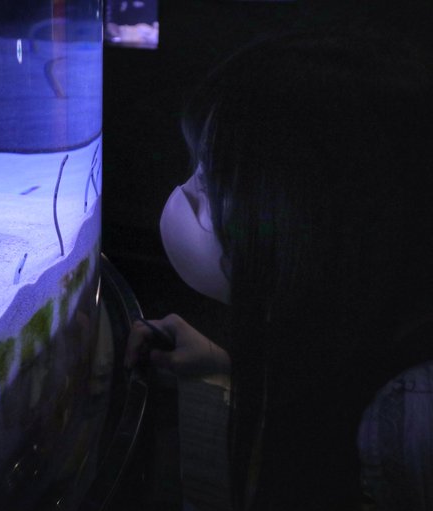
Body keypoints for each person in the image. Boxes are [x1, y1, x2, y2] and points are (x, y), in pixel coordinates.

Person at [125, 29, 433, 510]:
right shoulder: (355, 327)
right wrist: (223, 363)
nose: (185, 195)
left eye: (211, 179)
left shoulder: (409, 418)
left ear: (308, 211)